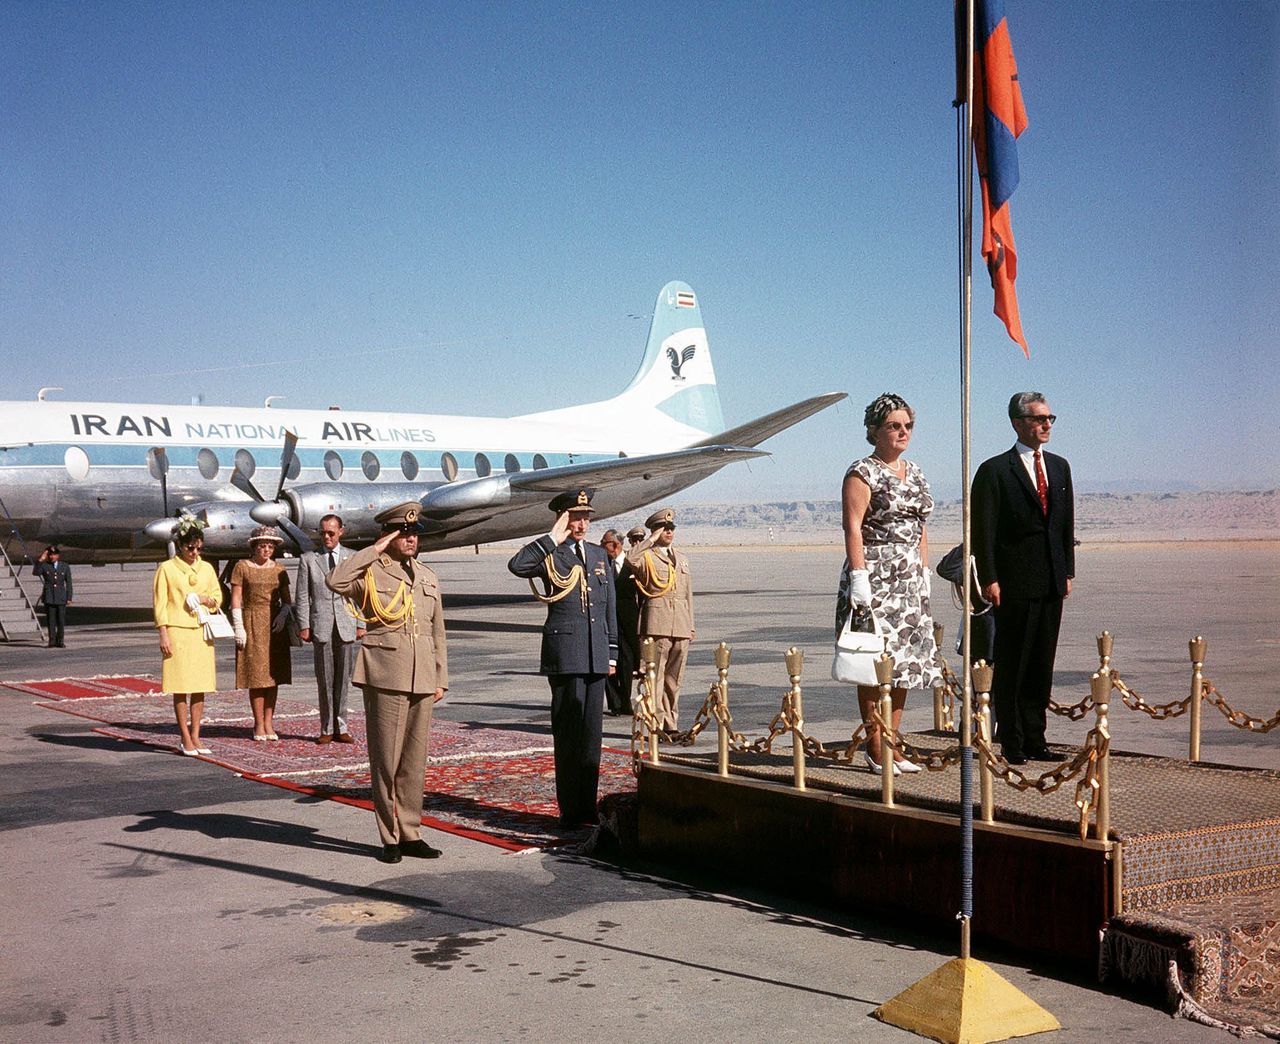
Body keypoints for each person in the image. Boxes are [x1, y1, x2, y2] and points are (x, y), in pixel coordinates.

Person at [328, 502, 448, 864]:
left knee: (414, 761)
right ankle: (389, 836)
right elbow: (335, 581)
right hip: (386, 672)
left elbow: (437, 630)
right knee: (386, 760)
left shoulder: (427, 575)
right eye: (403, 533)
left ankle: (411, 832)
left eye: (414, 534)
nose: (411, 539)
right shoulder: (371, 571)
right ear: (389, 536)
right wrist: (374, 550)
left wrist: (440, 675)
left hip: (422, 673)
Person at [838, 392, 939, 775]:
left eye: (908, 426)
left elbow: (921, 527)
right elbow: (853, 527)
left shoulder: (915, 471)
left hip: (909, 576)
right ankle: (875, 747)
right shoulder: (862, 472)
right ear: (874, 431)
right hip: (876, 573)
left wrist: (924, 572)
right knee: (872, 661)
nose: (903, 432)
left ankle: (893, 744)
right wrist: (860, 578)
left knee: (905, 664)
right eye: (894, 426)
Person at [972, 392, 1075, 765]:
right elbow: (983, 531)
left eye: (1050, 418)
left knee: (1041, 663)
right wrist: (990, 579)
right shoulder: (995, 470)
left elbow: (1065, 525)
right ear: (1018, 423)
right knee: (1013, 663)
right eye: (1038, 419)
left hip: (1050, 580)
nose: (1046, 425)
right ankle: (1011, 741)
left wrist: (1067, 570)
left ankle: (1036, 738)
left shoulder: (1060, 468)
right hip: (1012, 583)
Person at [507, 489, 617, 827]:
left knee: (591, 738)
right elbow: (517, 565)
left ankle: (588, 806)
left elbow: (609, 606)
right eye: (574, 516)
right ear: (562, 519)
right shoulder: (551, 554)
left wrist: (612, 653)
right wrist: (553, 536)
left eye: (585, 516)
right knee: (568, 734)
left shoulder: (599, 554)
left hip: (596, 655)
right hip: (566, 654)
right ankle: (571, 810)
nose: (581, 523)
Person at [152, 518, 222, 756]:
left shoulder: (207, 568)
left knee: (200, 686)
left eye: (198, 548)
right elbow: (160, 604)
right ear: (180, 545)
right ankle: (184, 736)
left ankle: (196, 735)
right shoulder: (167, 569)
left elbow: (217, 597)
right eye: (190, 547)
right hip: (177, 631)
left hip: (201, 632)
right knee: (181, 686)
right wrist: (163, 633)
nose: (194, 552)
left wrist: (203, 599)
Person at [294, 514, 364, 744]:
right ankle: (326, 727)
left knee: (343, 678)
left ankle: (341, 725)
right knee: (324, 679)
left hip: (346, 623)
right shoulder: (309, 559)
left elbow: (360, 594)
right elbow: (303, 596)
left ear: (341, 532)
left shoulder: (352, 558)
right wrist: (304, 624)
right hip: (321, 624)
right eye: (323, 532)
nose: (326, 537)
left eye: (331, 533)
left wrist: (361, 623)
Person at [625, 507, 694, 735]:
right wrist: (650, 541)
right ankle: (654, 725)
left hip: (681, 625)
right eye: (664, 528)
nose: (669, 532)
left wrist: (690, 625)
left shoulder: (682, 559)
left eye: (672, 528)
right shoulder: (646, 557)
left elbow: (687, 595)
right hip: (656, 624)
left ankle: (671, 724)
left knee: (674, 680)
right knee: (654, 679)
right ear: (654, 531)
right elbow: (630, 558)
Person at [230, 527, 293, 742]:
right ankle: (258, 723)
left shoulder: (279, 569)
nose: (266, 550)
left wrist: (283, 615)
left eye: (270, 546)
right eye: (262, 546)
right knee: (256, 676)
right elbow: (236, 598)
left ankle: (269, 722)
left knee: (272, 677)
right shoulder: (242, 567)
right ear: (254, 546)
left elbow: (287, 600)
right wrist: (238, 626)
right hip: (251, 621)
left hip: (274, 624)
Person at [600, 529, 640, 715]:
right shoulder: (601, 565)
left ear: (615, 545)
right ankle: (614, 703)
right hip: (607, 620)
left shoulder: (633, 564)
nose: (602, 546)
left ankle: (625, 700)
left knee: (627, 661)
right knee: (606, 660)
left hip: (629, 621)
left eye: (605, 543)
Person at [33, 545, 72, 647]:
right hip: (49, 596)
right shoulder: (45, 566)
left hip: (61, 597)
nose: (52, 557)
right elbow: (36, 573)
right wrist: (41, 559)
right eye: (50, 555)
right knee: (51, 621)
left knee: (61, 621)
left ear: (58, 556)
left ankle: (60, 641)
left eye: (54, 555)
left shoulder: (64, 566)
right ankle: (52, 641)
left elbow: (69, 583)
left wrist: (69, 597)